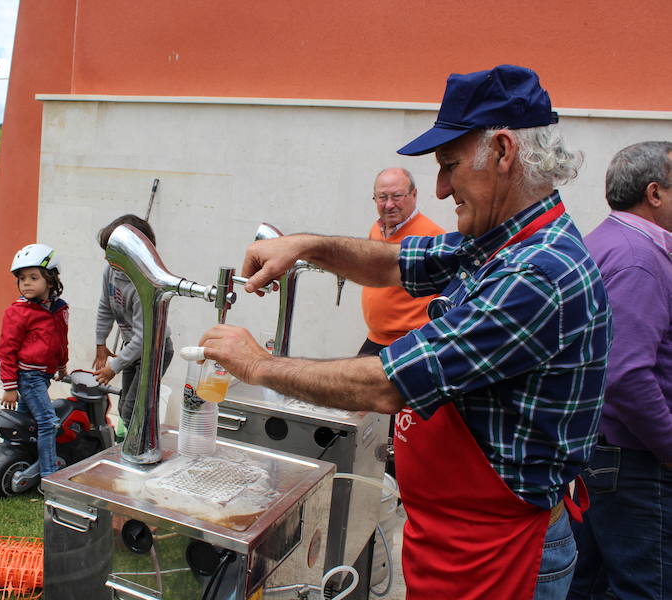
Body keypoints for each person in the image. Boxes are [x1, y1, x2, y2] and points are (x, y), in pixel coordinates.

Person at [200, 65, 611, 599]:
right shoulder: (497, 241)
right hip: (456, 536)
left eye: (448, 166)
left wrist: (257, 364)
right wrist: (306, 246)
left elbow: (388, 384)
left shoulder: (537, 272)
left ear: (504, 151)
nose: (440, 189)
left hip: (502, 548)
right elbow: (395, 263)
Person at [568, 141, 672, 599]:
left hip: (604, 454)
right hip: (632, 460)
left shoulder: (605, 241)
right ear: (654, 193)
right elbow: (626, 376)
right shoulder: (639, 258)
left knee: (588, 584)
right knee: (645, 587)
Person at [93, 215, 174, 428]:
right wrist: (101, 342)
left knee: (136, 408)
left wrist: (114, 367)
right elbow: (105, 306)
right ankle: (135, 445)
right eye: (107, 252)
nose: (107, 259)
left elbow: (145, 335)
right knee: (124, 408)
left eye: (114, 253)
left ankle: (144, 449)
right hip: (132, 346)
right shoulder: (111, 271)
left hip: (155, 349)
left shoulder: (145, 286)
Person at [0, 243, 69, 480]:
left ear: (50, 280)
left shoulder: (58, 308)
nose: (26, 283)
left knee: (26, 422)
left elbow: (60, 339)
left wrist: (61, 364)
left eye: (33, 277)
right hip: (28, 377)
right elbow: (7, 351)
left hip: (44, 374)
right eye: (22, 278)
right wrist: (9, 386)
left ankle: (15, 458)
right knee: (48, 422)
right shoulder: (18, 312)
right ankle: (49, 475)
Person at [359, 167, 444, 356]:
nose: (389, 205)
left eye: (397, 196)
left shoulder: (433, 238)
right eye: (382, 197)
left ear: (413, 195)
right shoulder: (377, 227)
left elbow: (448, 297)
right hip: (376, 338)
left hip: (408, 343)